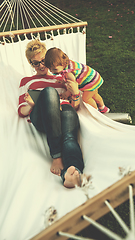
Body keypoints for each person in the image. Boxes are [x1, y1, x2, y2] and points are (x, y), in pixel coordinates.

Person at [18, 39, 84, 188]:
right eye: (36, 63)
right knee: (49, 92)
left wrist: (75, 93)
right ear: (30, 63)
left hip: (64, 110)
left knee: (69, 137)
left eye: (43, 61)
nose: (41, 65)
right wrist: (32, 105)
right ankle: (56, 155)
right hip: (41, 116)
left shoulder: (62, 76)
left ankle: (72, 172)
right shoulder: (26, 81)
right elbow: (21, 111)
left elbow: (76, 107)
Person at [45, 47, 110, 113]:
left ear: (62, 64)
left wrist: (66, 94)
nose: (51, 71)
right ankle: (103, 107)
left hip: (91, 81)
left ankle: (96, 112)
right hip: (95, 77)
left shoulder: (69, 73)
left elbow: (73, 86)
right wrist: (63, 81)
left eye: (54, 69)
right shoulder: (66, 63)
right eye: (49, 68)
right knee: (94, 95)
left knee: (86, 99)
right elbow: (65, 76)